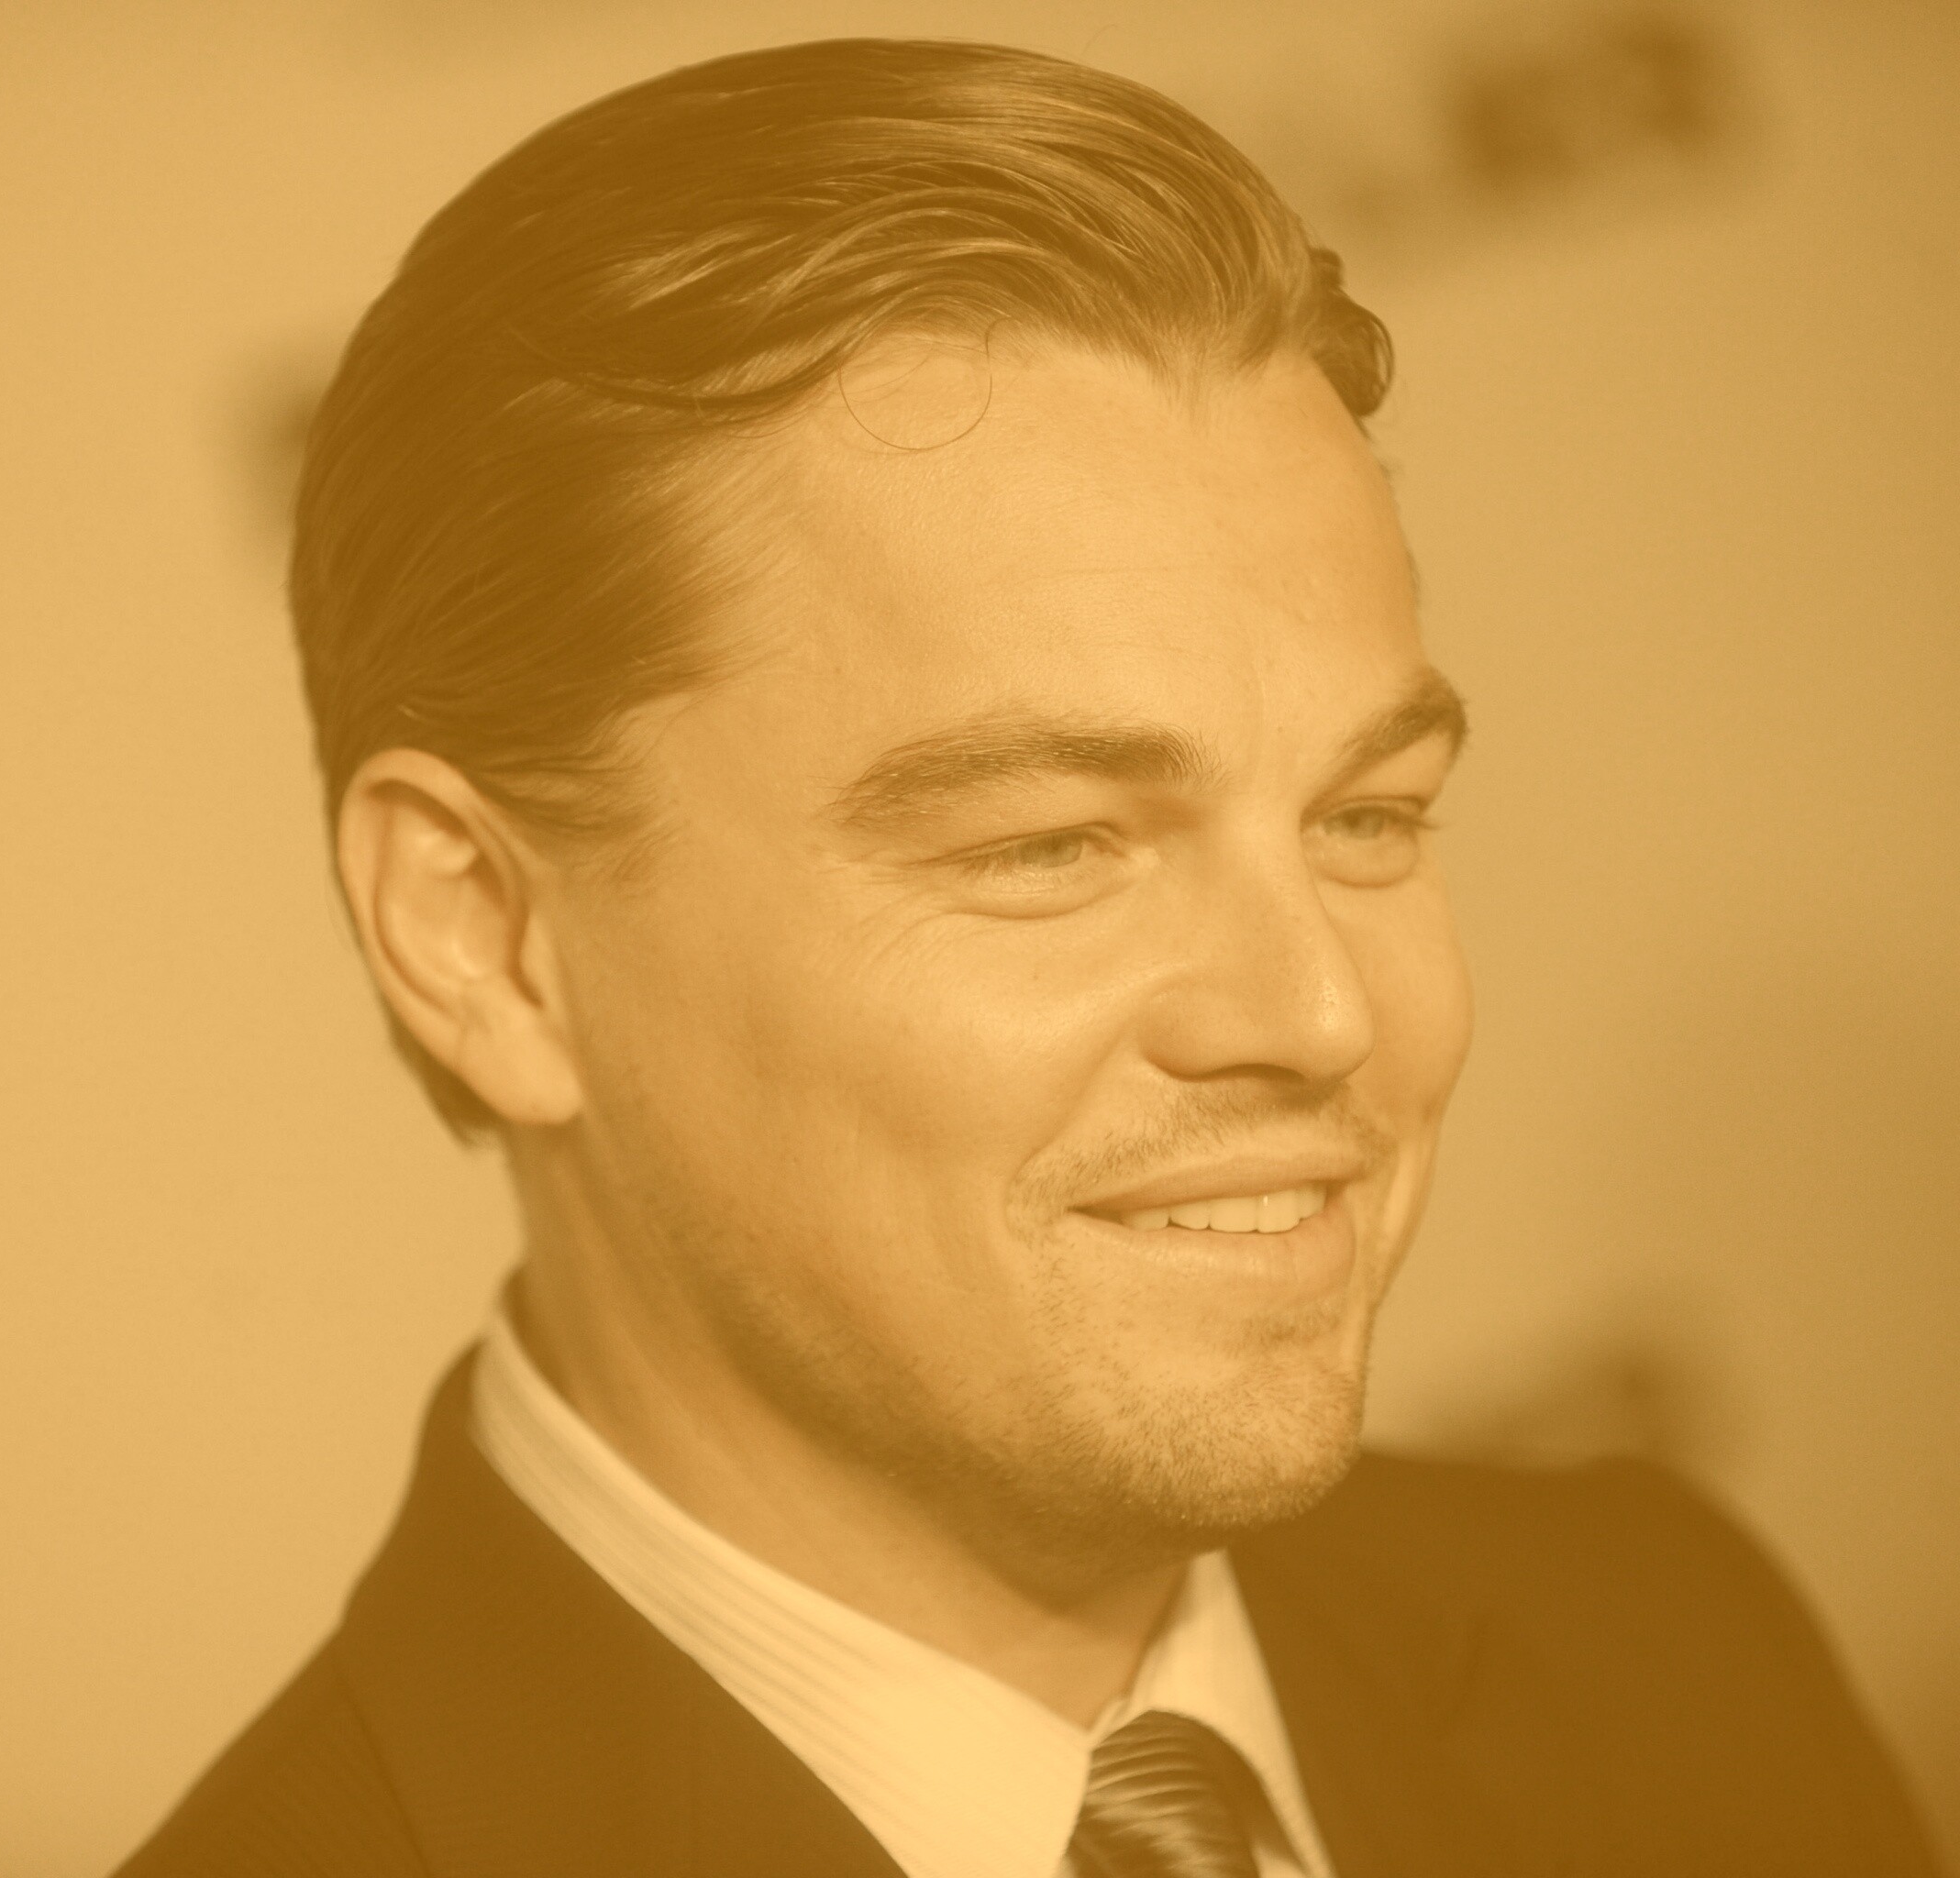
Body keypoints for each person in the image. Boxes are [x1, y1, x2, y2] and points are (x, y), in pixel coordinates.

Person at [114, 38, 1939, 1878]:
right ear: (484, 939)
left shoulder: (1664, 1653)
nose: (1319, 1013)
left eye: (1368, 816)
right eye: (1050, 846)